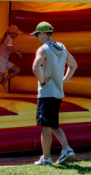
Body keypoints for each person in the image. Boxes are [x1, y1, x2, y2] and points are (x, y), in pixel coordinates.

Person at [31, 22, 78, 166]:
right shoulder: (62, 47)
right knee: (53, 124)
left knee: (45, 125)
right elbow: (74, 65)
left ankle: (46, 158)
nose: (37, 38)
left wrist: (42, 81)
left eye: (38, 35)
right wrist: (62, 81)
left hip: (46, 93)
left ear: (43, 34)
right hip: (57, 92)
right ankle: (67, 149)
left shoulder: (43, 49)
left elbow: (35, 67)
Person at [0, 24, 23, 95]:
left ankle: (4, 80)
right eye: (16, 34)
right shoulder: (9, 38)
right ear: (12, 33)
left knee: (17, 70)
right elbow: (9, 47)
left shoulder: (4, 38)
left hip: (3, 60)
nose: (16, 36)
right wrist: (17, 52)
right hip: (2, 61)